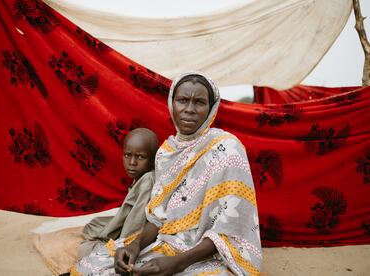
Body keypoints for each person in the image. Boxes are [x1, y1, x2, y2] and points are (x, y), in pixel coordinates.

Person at [71, 72, 262, 276]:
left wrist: (177, 263)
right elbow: (159, 217)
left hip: (209, 254)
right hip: (167, 243)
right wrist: (134, 246)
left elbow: (231, 228)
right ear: (172, 103)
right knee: (91, 267)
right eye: (182, 100)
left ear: (211, 107)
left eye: (199, 102)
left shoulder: (228, 149)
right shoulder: (166, 153)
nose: (189, 109)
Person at [77, 128, 159, 259]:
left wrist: (120, 245)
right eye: (127, 155)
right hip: (130, 227)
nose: (132, 162)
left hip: (138, 238)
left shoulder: (148, 181)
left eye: (140, 157)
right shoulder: (139, 177)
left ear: (153, 159)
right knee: (93, 224)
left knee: (85, 249)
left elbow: (135, 224)